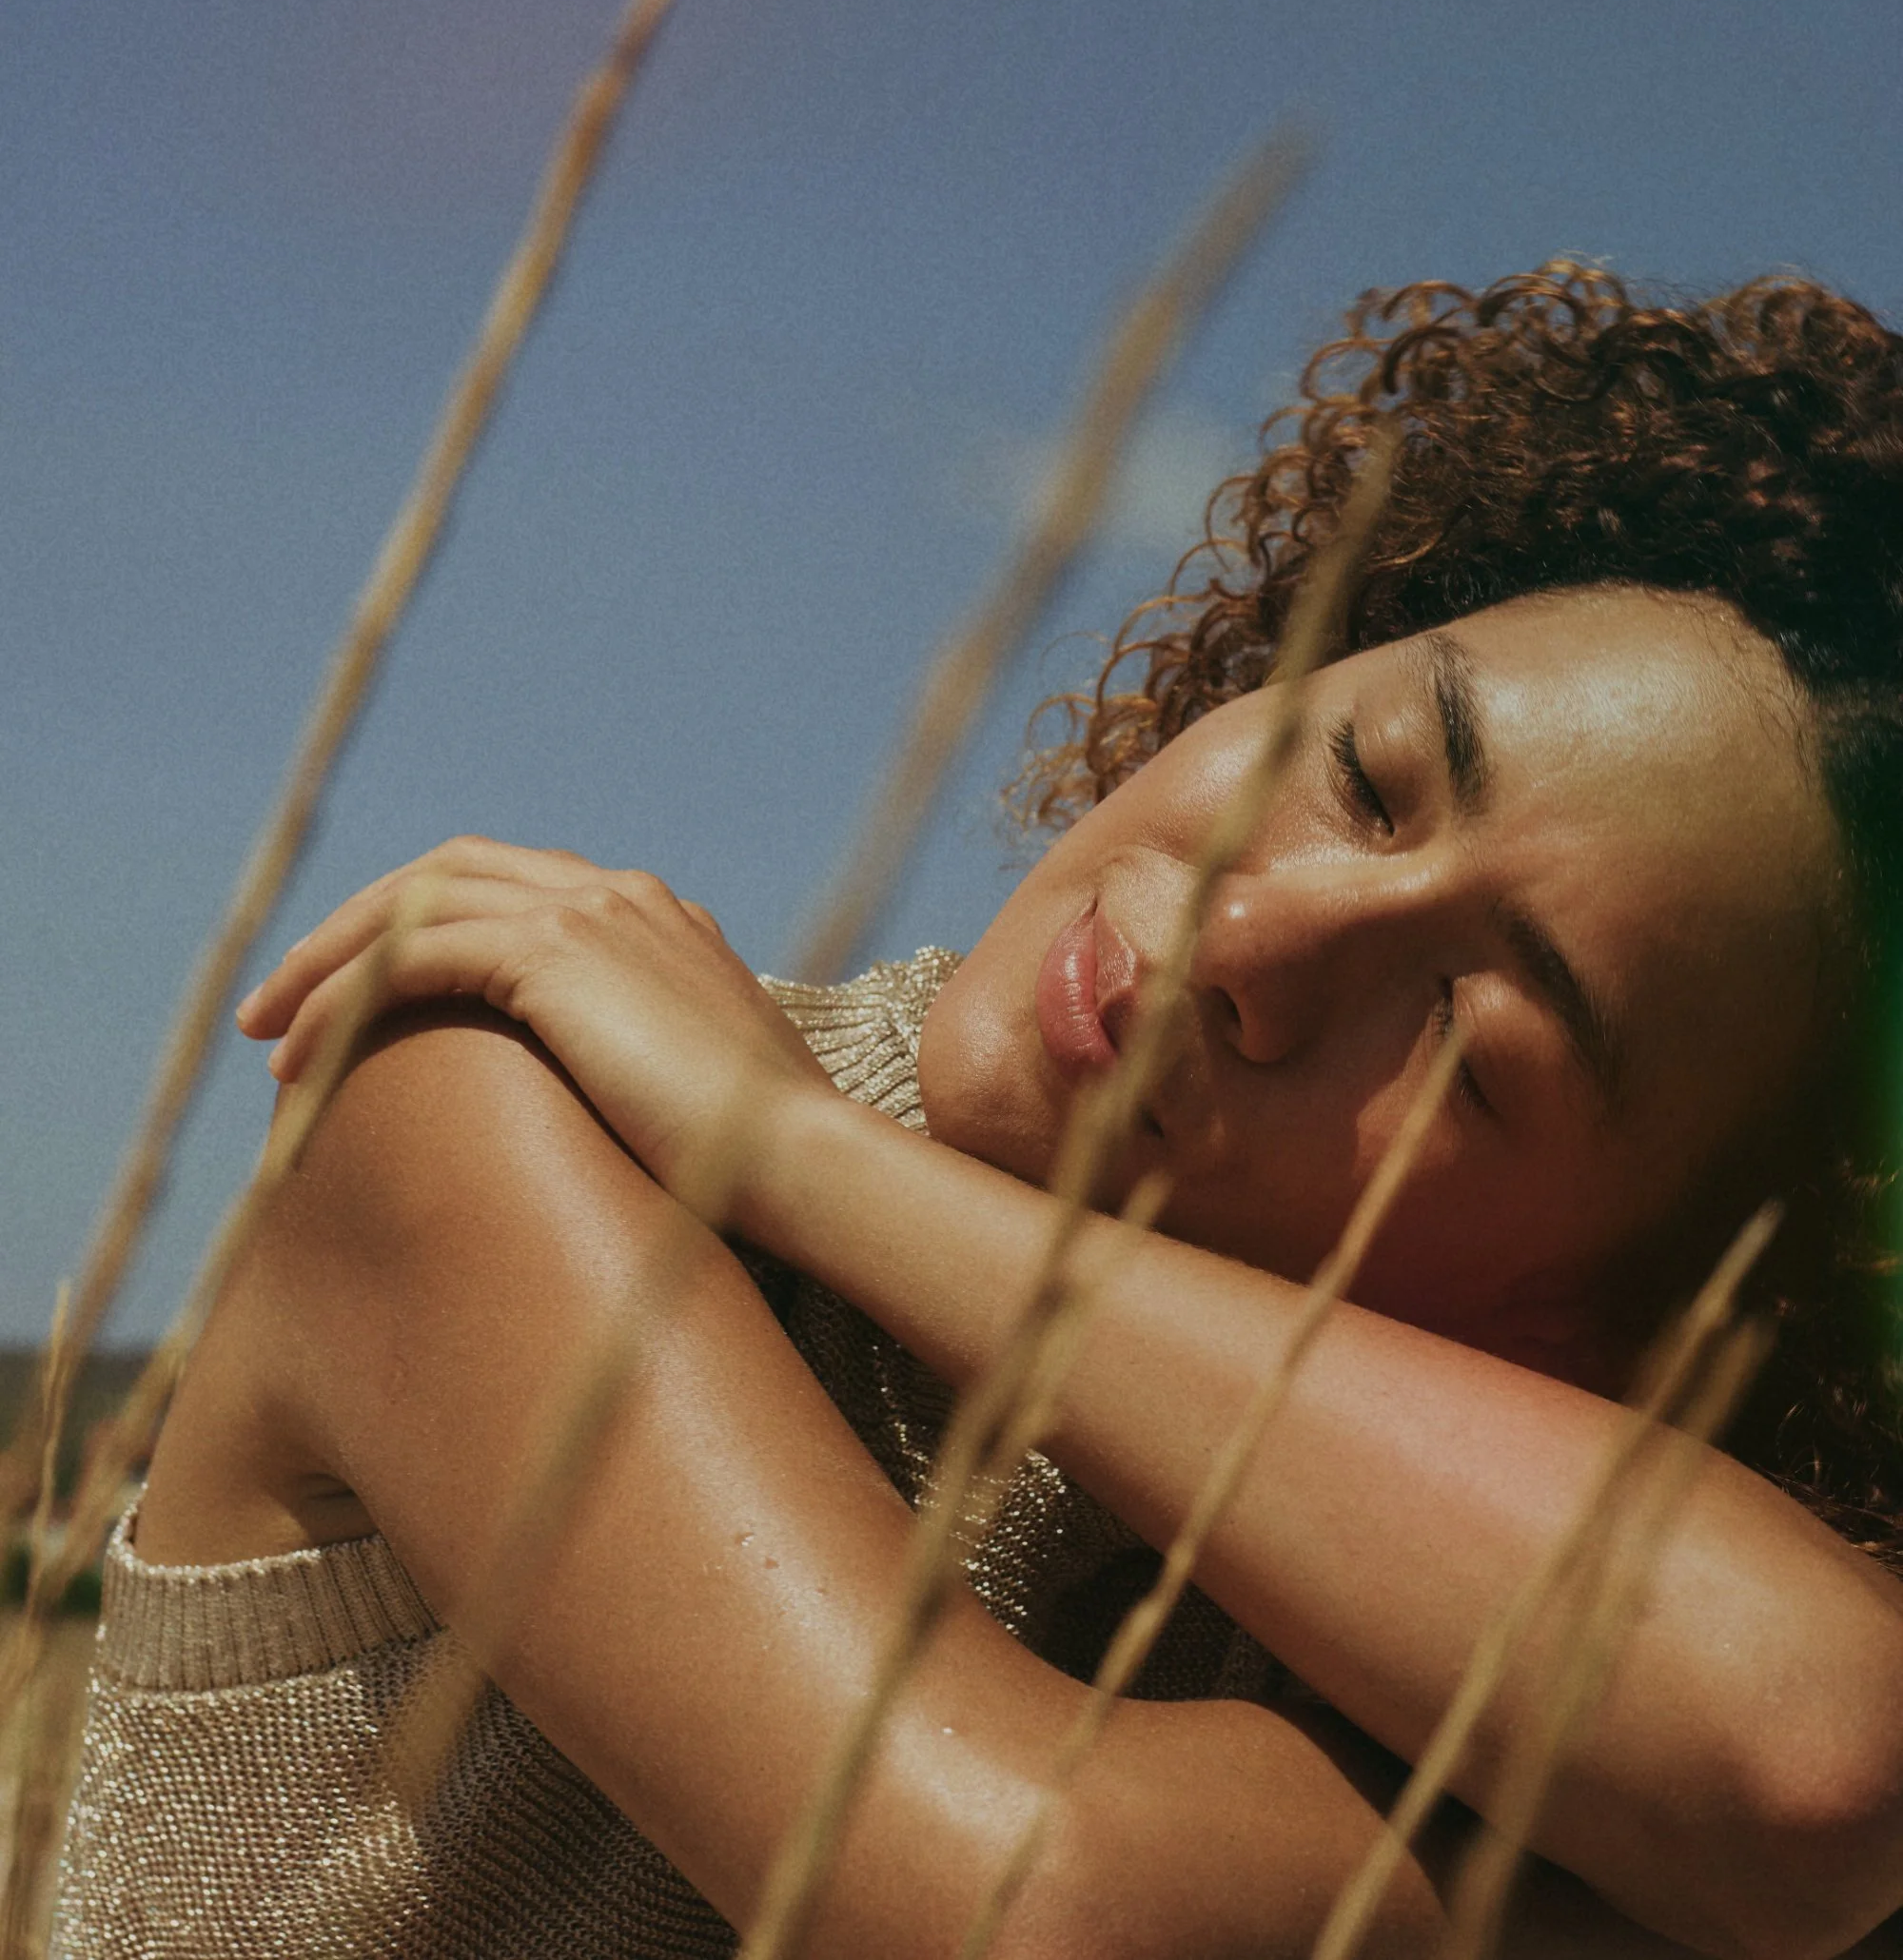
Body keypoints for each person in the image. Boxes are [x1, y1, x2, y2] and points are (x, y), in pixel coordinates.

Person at [51, 264, 1903, 1960]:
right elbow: (1039, 1908)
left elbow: (1816, 1754)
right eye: (1365, 770)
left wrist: (807, 1159)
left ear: (1600, 1311)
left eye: (1471, 1043)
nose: (1251, 935)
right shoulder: (500, 1092)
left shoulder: (1419, 1572)